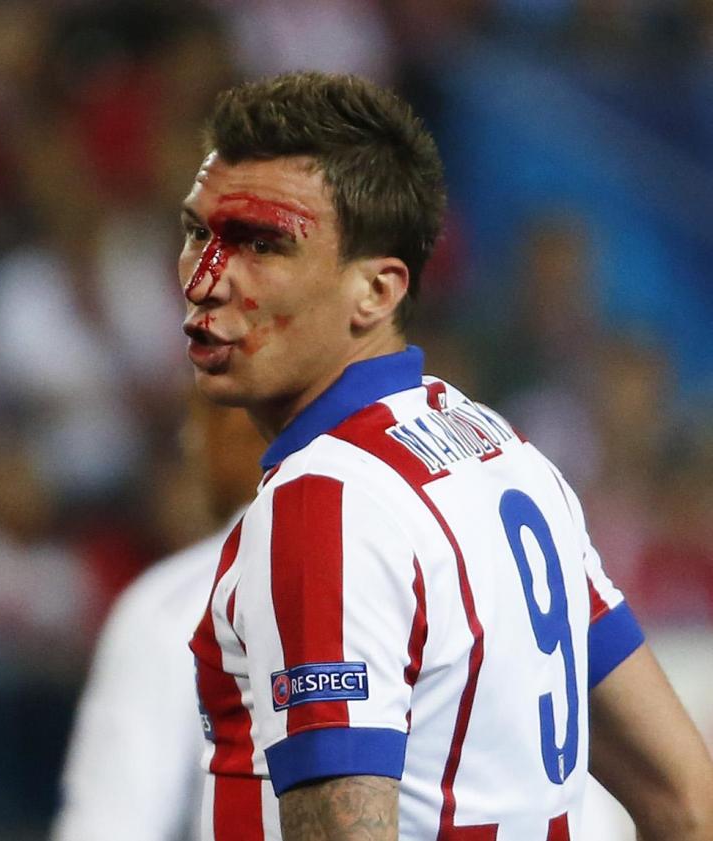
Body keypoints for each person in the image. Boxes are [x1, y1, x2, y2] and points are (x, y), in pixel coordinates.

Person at [178, 72, 713, 840]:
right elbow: (685, 798)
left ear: (376, 290)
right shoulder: (502, 447)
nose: (207, 280)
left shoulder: (325, 503)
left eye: (263, 245)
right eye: (199, 233)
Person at [52, 396, 264, 841]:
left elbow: (113, 827)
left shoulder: (180, 605)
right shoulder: (418, 564)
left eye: (201, 417)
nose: (188, 440)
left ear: (243, 426)